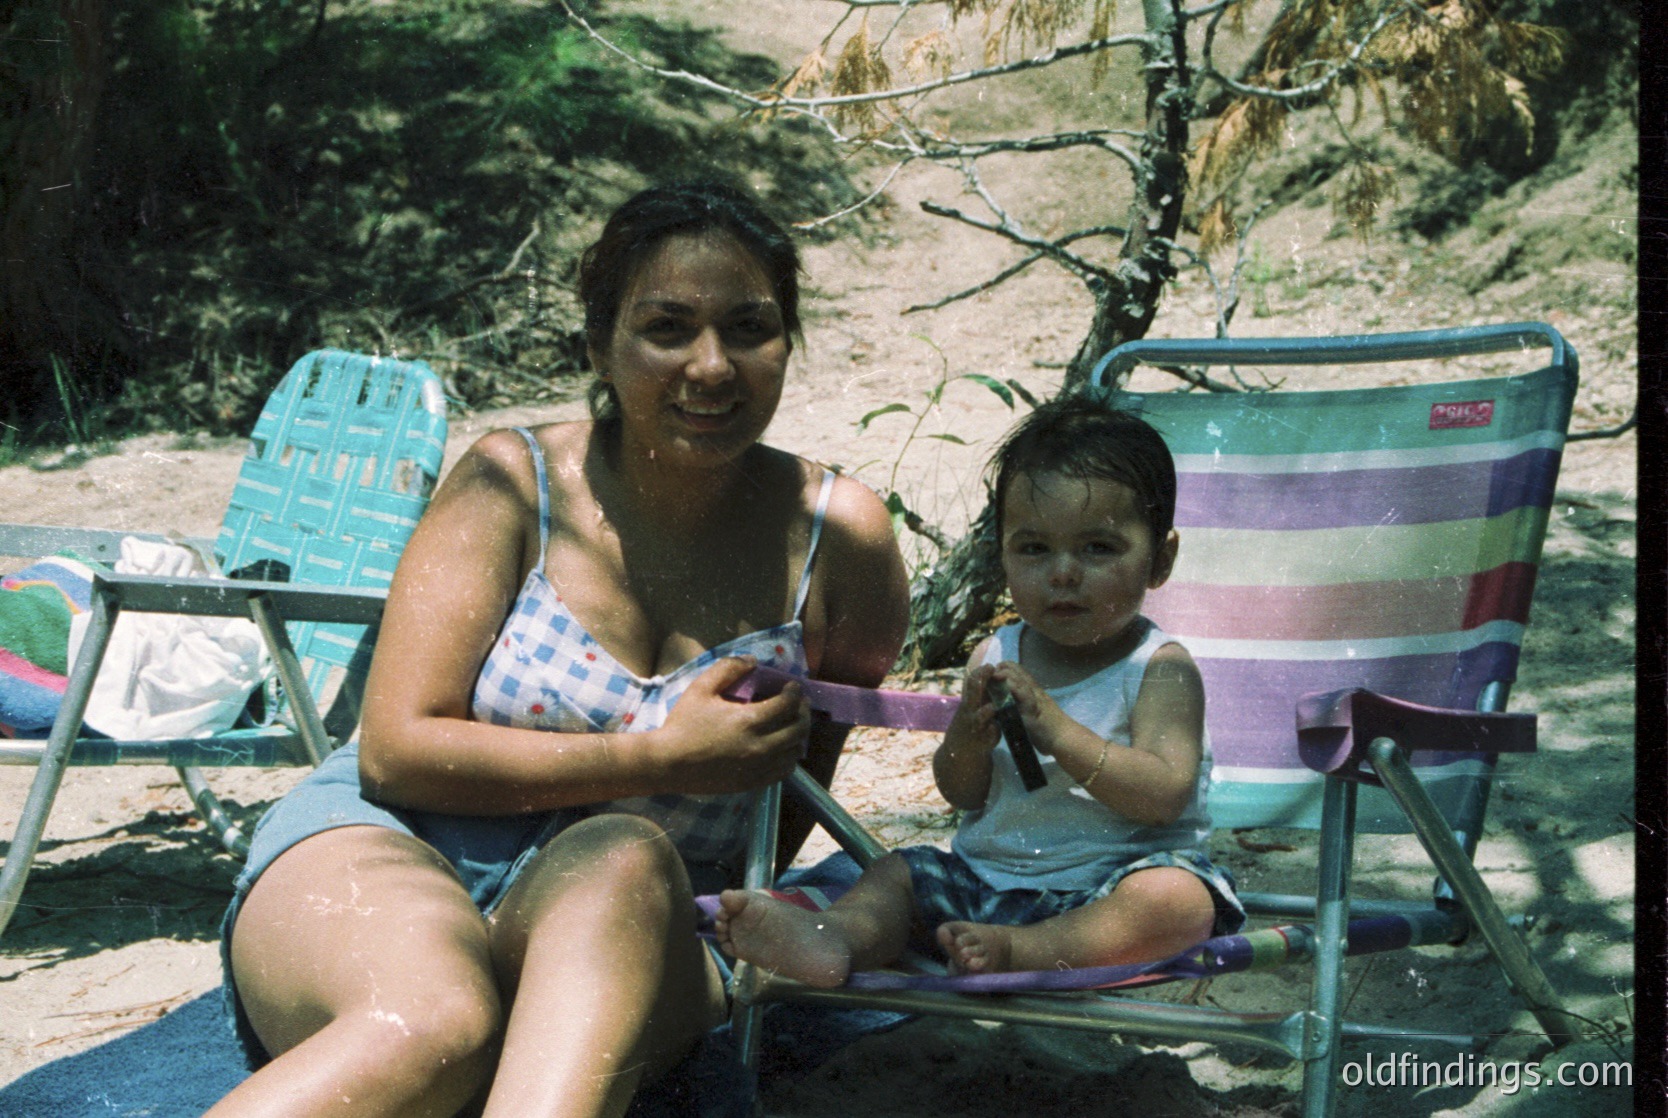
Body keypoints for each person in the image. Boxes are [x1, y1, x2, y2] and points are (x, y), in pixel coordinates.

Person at [206, 181, 910, 1118]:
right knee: (432, 1027)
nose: (712, 367)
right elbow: (396, 750)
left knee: (622, 851)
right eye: (667, 328)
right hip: (397, 851)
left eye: (749, 328)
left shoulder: (841, 540)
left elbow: (783, 810)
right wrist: (655, 758)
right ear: (601, 347)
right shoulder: (512, 483)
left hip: (628, 914)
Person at [715, 397, 1243, 986]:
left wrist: (1059, 732)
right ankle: (833, 938)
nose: (1063, 573)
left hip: (1114, 885)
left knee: (1179, 901)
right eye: (1034, 548)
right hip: (985, 884)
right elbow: (963, 793)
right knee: (897, 874)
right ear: (1004, 555)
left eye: (1099, 547)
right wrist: (966, 736)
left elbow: (1165, 795)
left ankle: (1022, 950)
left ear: (1160, 560)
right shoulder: (997, 654)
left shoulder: (1159, 668)